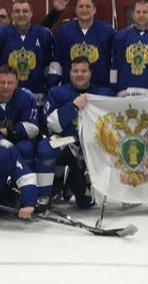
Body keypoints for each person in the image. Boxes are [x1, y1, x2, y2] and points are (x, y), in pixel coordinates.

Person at [35, 57, 115, 212]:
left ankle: (71, 182)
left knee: (85, 202)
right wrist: (73, 107)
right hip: (65, 141)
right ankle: (43, 197)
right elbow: (51, 124)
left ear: (90, 73)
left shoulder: (104, 94)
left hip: (90, 148)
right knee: (45, 149)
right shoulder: (57, 93)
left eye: (83, 71)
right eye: (75, 71)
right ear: (69, 73)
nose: (79, 74)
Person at [0, 0, 55, 97]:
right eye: (17, 11)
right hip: (6, 96)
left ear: (31, 13)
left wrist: (49, 89)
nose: (21, 14)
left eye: (25, 11)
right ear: (11, 14)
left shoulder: (44, 34)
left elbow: (49, 67)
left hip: (37, 96)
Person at [0, 68, 40, 164]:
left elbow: (33, 128)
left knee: (26, 147)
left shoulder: (26, 98)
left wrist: (8, 131)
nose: (5, 86)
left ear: (16, 83)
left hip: (18, 142)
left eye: (10, 83)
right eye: (2, 82)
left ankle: (25, 173)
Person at [50, 0, 115, 89]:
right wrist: (53, 85)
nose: (84, 10)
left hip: (100, 89)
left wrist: (113, 87)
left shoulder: (108, 32)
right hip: (70, 89)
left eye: (88, 6)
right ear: (76, 10)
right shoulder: (64, 32)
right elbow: (56, 61)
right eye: (81, 7)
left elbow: (114, 62)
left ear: (94, 10)